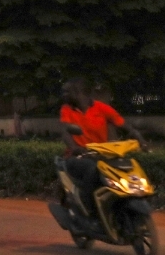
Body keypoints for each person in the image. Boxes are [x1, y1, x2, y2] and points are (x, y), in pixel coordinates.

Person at [59, 78, 146, 214]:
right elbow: (65, 131)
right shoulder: (66, 110)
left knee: (127, 166)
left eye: (66, 92)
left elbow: (122, 124)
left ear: (78, 93)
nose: (63, 95)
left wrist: (140, 139)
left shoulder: (101, 108)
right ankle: (88, 208)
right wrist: (74, 148)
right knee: (92, 169)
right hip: (78, 156)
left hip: (102, 155)